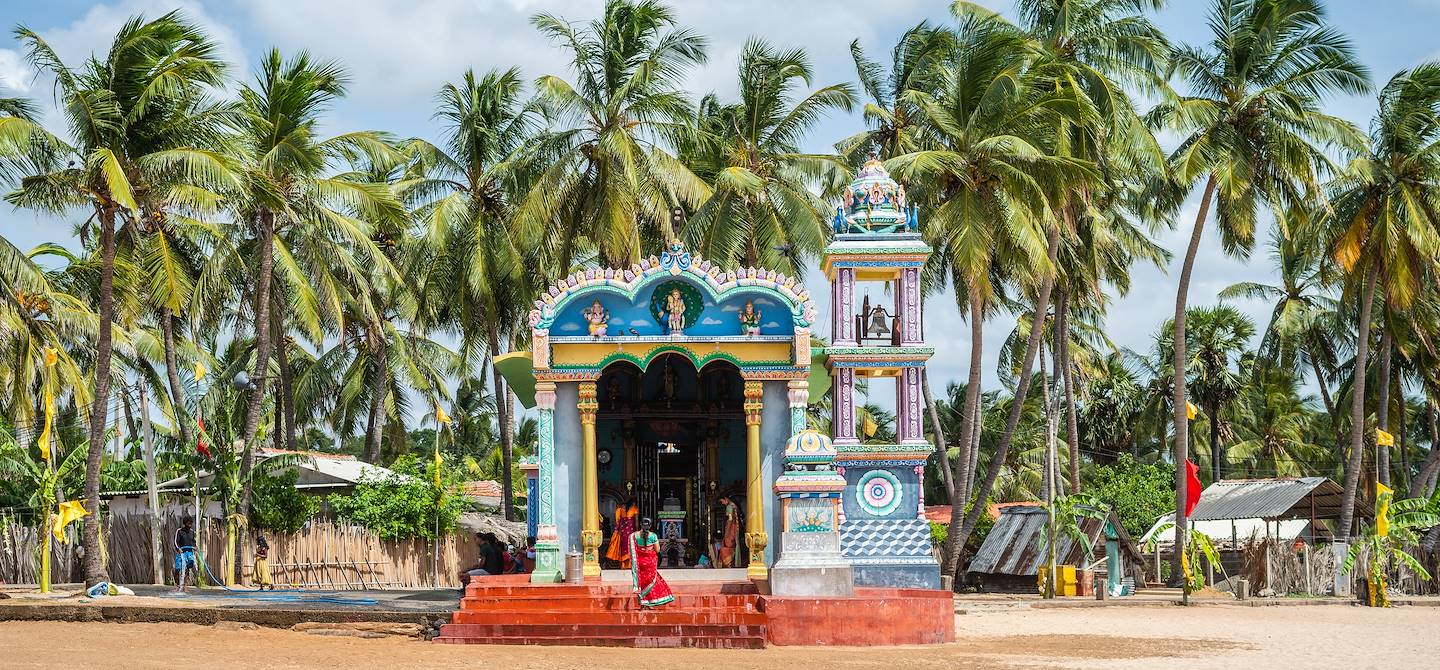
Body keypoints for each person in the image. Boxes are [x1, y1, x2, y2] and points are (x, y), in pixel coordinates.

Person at [628, 517, 674, 608]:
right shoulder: (653, 536)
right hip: (650, 563)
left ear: (640, 524)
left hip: (640, 563)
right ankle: (648, 602)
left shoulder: (633, 536)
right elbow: (657, 550)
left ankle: (643, 602)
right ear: (650, 525)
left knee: (642, 582)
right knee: (650, 582)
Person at [605, 499, 638, 569]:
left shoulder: (620, 509)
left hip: (623, 533)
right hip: (631, 532)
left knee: (623, 548)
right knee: (631, 547)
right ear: (633, 503)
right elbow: (636, 522)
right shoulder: (634, 509)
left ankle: (623, 565)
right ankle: (630, 565)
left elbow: (618, 521)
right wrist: (637, 530)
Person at [173, 517, 197, 592]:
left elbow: (193, 541)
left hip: (189, 553)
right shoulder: (179, 531)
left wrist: (195, 547)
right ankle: (177, 585)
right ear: (185, 523)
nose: (190, 525)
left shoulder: (192, 532)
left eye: (191, 523)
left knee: (187, 569)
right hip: (181, 553)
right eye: (188, 523)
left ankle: (185, 586)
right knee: (177, 569)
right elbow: (176, 542)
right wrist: (178, 548)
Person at [717, 496, 740, 568]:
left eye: (722, 501)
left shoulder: (729, 507)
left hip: (731, 527)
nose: (723, 503)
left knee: (728, 542)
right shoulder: (733, 506)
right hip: (734, 527)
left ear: (725, 499)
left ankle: (727, 562)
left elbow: (730, 519)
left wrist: (727, 529)